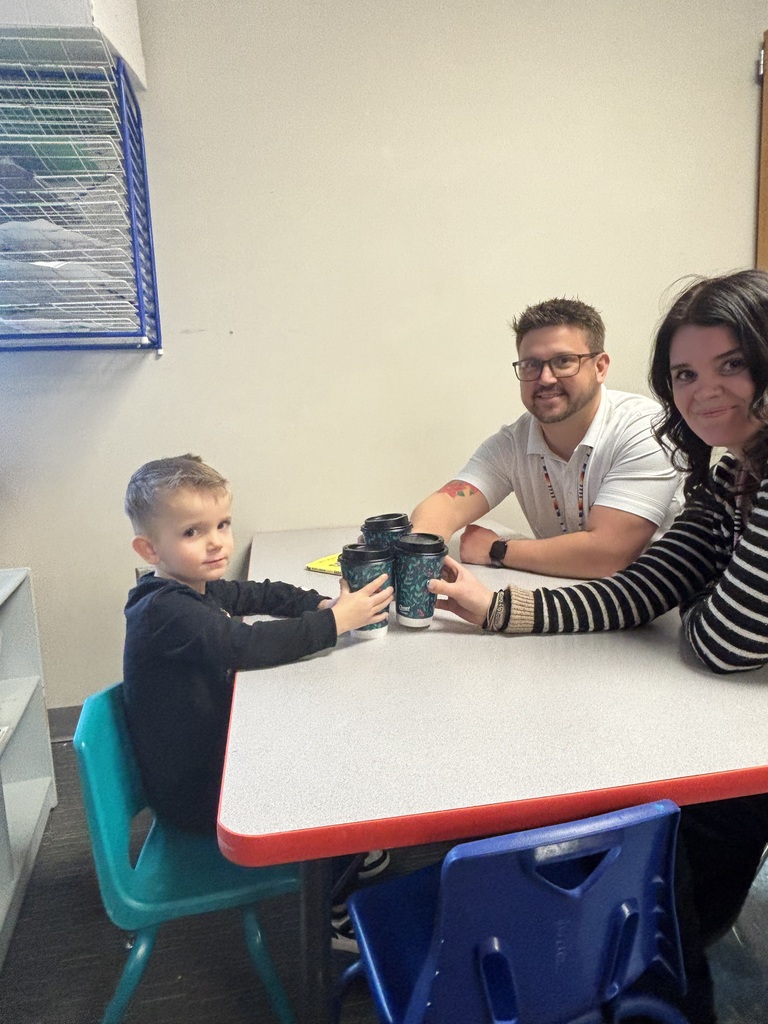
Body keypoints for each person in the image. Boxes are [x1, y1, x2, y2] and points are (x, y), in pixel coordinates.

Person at [428, 269, 768, 1022]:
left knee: (659, 842)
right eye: (686, 373)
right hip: (742, 720)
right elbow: (641, 591)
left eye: (732, 364)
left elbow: (718, 640)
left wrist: (701, 588)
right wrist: (496, 610)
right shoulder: (729, 482)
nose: (704, 390)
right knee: (647, 843)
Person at [122, 455, 393, 916]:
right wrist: (334, 622)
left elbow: (259, 593)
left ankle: (341, 858)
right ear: (150, 550)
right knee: (322, 766)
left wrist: (322, 601)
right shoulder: (165, 611)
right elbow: (244, 645)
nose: (216, 543)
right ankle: (330, 909)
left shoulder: (192, 587)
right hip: (201, 793)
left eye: (222, 524)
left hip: (206, 760)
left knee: (311, 734)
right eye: (192, 532)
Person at [410, 297, 682, 579]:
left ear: (600, 367)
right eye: (531, 365)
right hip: (569, 604)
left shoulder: (646, 428)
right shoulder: (512, 443)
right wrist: (418, 552)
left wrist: (497, 549)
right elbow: (444, 506)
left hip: (659, 612)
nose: (545, 378)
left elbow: (608, 556)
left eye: (564, 361)